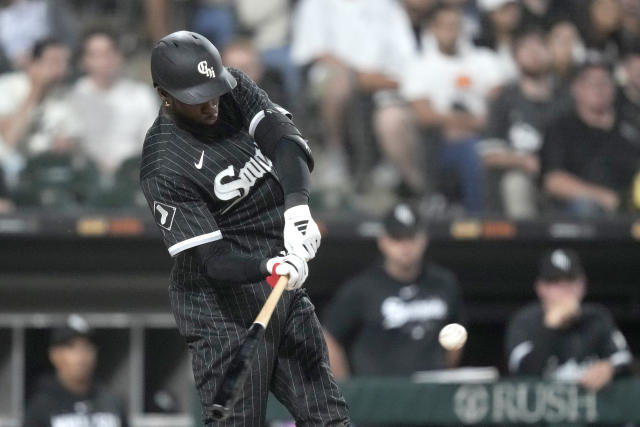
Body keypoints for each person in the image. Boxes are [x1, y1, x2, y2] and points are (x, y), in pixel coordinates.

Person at [139, 31, 350, 426]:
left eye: (212, 90)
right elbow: (212, 260)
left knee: (328, 418)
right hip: (220, 307)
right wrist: (269, 266)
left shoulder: (232, 85)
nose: (211, 104)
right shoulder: (163, 163)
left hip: (280, 275)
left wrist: (297, 211)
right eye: (196, 98)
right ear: (165, 95)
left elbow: (285, 141)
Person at [323, 202, 465, 379]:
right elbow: (330, 336)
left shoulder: (444, 283)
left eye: (411, 237)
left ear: (423, 239)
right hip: (382, 395)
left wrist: (446, 372)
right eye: (397, 238)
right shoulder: (362, 288)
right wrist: (344, 389)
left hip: (431, 390)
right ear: (383, 241)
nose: (405, 247)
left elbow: (456, 331)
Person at [401, 4, 505, 214]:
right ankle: (477, 217)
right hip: (438, 145)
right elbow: (425, 116)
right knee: (469, 150)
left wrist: (457, 122)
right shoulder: (420, 65)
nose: (451, 31)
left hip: (486, 137)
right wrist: (473, 121)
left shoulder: (484, 60)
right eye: (445, 26)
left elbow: (498, 104)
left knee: (475, 148)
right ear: (432, 29)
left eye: (456, 26)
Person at [505, 248, 632, 391]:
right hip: (543, 408)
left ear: (582, 285)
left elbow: (624, 358)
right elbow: (521, 371)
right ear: (541, 288)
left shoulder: (597, 317)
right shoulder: (524, 321)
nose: (564, 288)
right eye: (555, 282)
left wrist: (610, 368)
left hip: (591, 408)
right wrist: (551, 327)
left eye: (570, 280)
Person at [481, 28, 572, 218]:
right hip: (523, 174)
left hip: (562, 172)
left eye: (539, 47)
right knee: (515, 183)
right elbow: (489, 154)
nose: (533, 54)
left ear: (550, 53)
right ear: (515, 58)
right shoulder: (504, 100)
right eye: (525, 49)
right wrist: (523, 161)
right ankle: (525, 244)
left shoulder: (566, 99)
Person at [541, 60, 640, 216]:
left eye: (604, 83)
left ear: (614, 89)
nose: (599, 89)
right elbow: (554, 181)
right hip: (582, 212)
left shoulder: (631, 127)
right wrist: (605, 198)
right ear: (577, 88)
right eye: (592, 83)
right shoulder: (561, 128)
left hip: (631, 206)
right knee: (585, 207)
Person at [67, 29, 158, 181]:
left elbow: (153, 143)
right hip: (87, 178)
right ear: (85, 61)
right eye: (96, 55)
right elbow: (72, 142)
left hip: (133, 176)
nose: (104, 61)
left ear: (119, 56)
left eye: (108, 53)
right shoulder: (73, 97)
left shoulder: (142, 95)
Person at [24, 314, 128, 427]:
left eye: (86, 346)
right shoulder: (41, 406)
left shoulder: (112, 402)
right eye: (71, 347)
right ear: (54, 354)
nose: (81, 355)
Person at [0, 37, 72, 189]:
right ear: (33, 63)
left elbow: (71, 143)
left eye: (63, 62)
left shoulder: (64, 96)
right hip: (7, 175)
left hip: (46, 173)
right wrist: (36, 91)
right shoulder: (6, 87)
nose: (60, 69)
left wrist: (66, 145)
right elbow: (10, 138)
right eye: (54, 62)